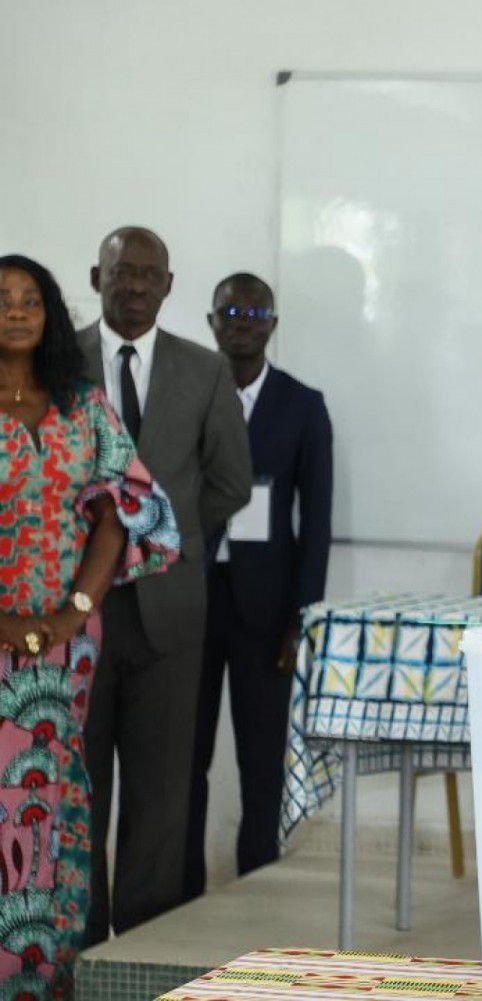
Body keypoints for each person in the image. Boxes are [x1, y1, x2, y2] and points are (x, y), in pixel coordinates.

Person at [0, 255, 180, 994]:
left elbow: (126, 507)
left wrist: (71, 609)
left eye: (30, 299)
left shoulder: (83, 407)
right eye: (1, 299)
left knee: (54, 804)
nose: (15, 310)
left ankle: (47, 974)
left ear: (49, 313)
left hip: (65, 649)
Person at [76, 227, 253, 942]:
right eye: (123, 272)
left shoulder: (204, 370)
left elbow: (230, 481)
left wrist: (157, 544)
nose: (136, 286)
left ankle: (142, 951)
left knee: (161, 797)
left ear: (170, 285)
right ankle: (80, 949)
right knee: (78, 796)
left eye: (150, 275)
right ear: (97, 276)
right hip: (74, 615)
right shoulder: (59, 362)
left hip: (170, 613)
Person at [184, 274, 334, 899]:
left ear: (272, 323)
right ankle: (181, 887)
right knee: (183, 759)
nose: (242, 321)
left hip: (268, 613)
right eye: (229, 311)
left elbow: (316, 521)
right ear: (211, 320)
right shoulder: (185, 394)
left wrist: (301, 618)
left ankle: (254, 886)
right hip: (189, 600)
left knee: (260, 758)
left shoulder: (304, 405)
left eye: (255, 311)